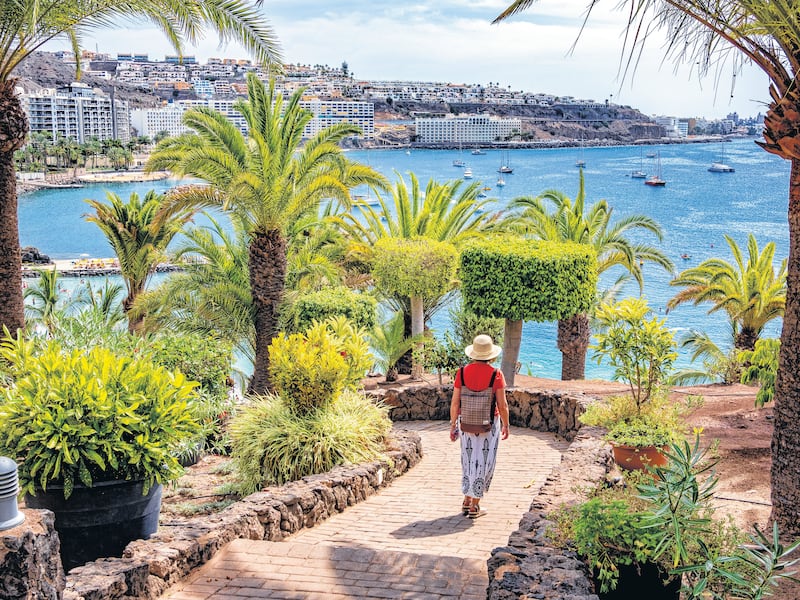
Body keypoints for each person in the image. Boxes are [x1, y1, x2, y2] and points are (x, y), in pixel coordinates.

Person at [449, 334, 510, 519]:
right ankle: (475, 506)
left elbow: (454, 402)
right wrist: (506, 424)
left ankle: (467, 500)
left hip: (466, 423)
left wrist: (453, 425)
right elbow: (502, 404)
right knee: (484, 462)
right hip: (488, 426)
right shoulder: (496, 374)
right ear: (491, 355)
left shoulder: (461, 372)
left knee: (468, 460)